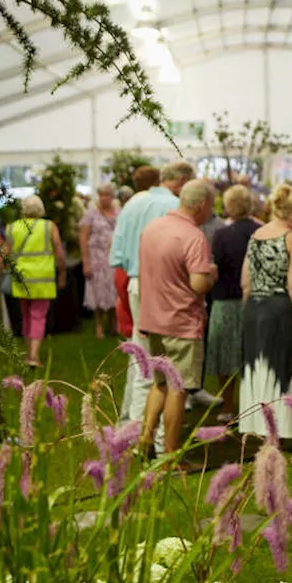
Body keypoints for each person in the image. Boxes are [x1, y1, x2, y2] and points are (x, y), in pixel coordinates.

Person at [110, 161, 203, 418]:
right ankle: (146, 429)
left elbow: (116, 254)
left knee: (139, 352)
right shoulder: (174, 209)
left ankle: (129, 420)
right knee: (158, 362)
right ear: (182, 182)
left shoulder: (133, 203)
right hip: (163, 287)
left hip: (135, 283)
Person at [136, 180, 217, 455]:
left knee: (160, 383)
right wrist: (212, 274)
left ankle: (146, 439)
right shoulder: (193, 236)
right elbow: (198, 284)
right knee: (177, 389)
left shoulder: (152, 229)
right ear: (203, 204)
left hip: (152, 319)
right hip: (181, 322)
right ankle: (170, 455)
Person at [240, 184, 292, 441]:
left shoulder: (256, 235)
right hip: (281, 310)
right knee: (284, 369)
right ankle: (282, 430)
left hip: (254, 310)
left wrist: (249, 311)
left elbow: (245, 282)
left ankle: (258, 427)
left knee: (258, 368)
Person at [206, 185, 258, 417]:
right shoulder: (262, 231)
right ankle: (252, 405)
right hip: (255, 301)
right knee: (251, 355)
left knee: (226, 357)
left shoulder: (222, 235)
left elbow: (214, 266)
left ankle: (228, 408)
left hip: (225, 300)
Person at [7, 194, 66, 368]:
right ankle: (34, 356)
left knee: (26, 315)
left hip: (21, 276)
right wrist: (62, 272)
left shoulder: (13, 227)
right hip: (43, 278)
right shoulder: (48, 226)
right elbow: (59, 251)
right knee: (38, 316)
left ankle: (29, 354)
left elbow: (5, 252)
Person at [115, 165, 160, 339]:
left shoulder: (129, 205)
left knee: (136, 325)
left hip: (128, 269)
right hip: (148, 271)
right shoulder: (156, 204)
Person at [79, 182, 120, 339]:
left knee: (114, 290)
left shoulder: (119, 213)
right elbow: (83, 237)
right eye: (102, 195)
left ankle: (114, 323)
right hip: (96, 257)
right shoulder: (91, 214)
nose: (104, 198)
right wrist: (86, 261)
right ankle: (98, 325)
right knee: (97, 291)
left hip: (113, 258)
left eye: (107, 195)